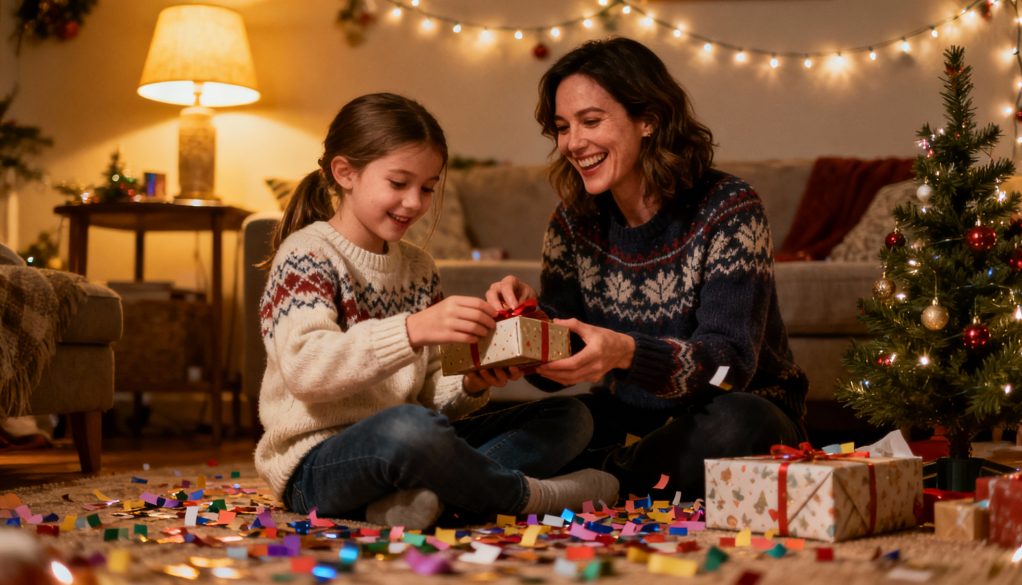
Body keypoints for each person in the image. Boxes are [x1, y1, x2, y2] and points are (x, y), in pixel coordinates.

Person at [255, 92, 618, 529]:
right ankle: (524, 495)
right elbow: (305, 372)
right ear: (345, 173)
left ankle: (416, 501)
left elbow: (430, 399)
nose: (414, 203)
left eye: (427, 188)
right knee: (407, 428)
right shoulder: (306, 254)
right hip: (316, 465)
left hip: (410, 449)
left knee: (570, 417)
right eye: (398, 183)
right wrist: (409, 330)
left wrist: (470, 380)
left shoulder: (418, 267)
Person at [487, 38, 808, 500]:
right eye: (562, 127)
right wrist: (526, 323)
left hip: (734, 409)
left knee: (741, 426)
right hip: (630, 420)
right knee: (557, 423)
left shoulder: (729, 209)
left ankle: (591, 483)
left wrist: (628, 353)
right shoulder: (572, 222)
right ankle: (603, 478)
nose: (573, 143)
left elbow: (729, 370)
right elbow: (553, 372)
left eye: (591, 121)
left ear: (648, 121)